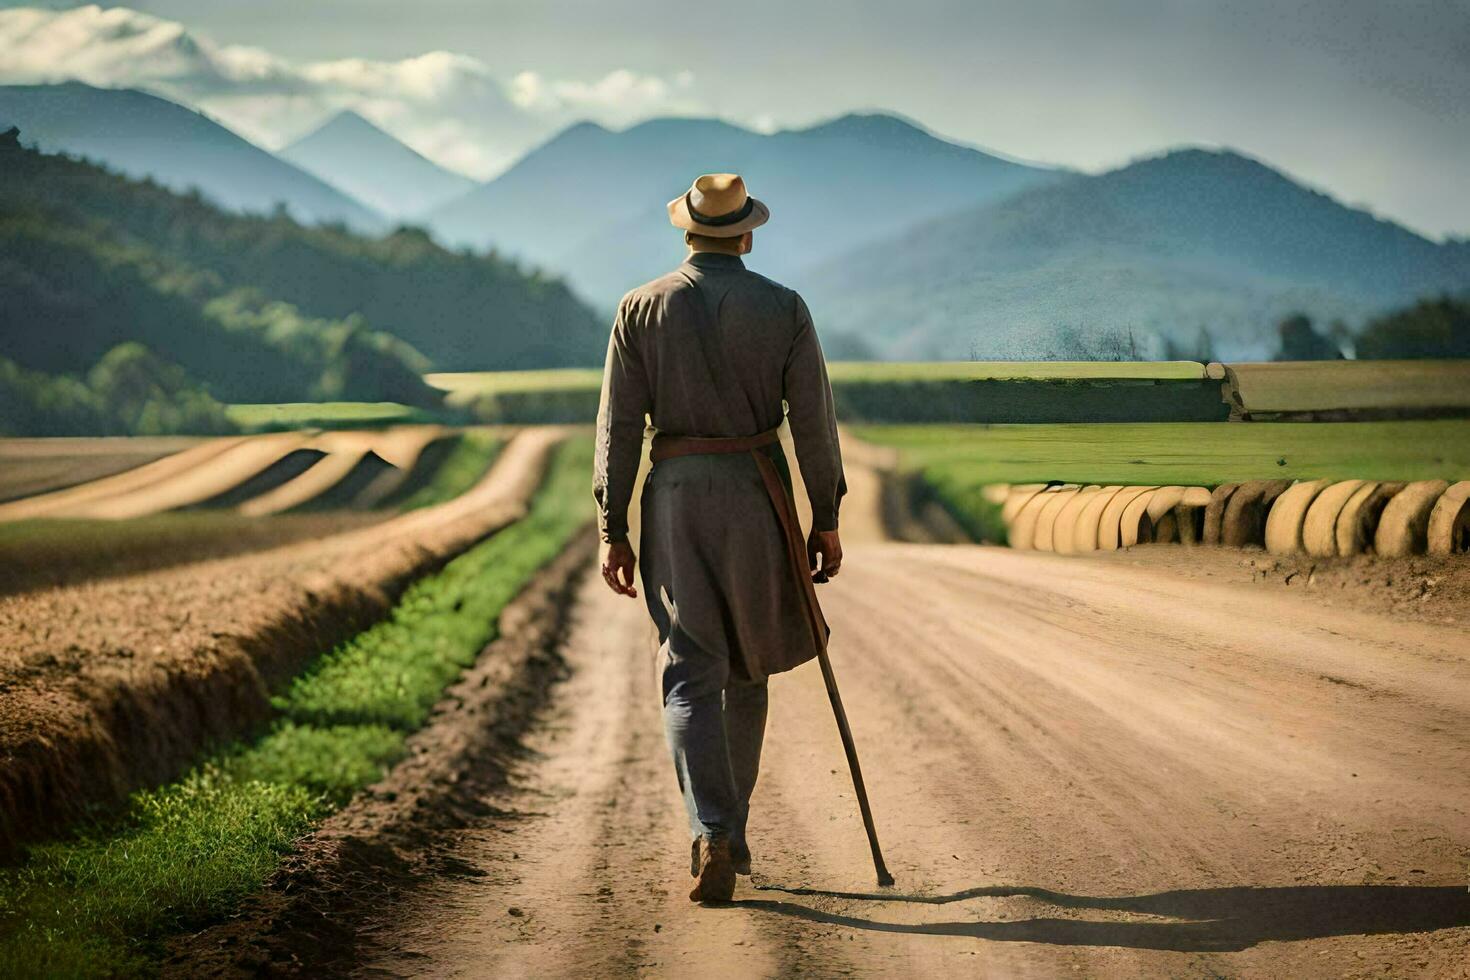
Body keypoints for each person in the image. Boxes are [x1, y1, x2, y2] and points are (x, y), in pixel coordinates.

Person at [593, 173, 846, 903]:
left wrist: (613, 528)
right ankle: (729, 832)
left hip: (674, 499)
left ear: (686, 234)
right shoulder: (785, 308)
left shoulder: (639, 308)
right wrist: (824, 516)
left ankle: (711, 830)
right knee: (748, 665)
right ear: (746, 234)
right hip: (756, 495)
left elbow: (618, 430)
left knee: (688, 667)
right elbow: (814, 426)